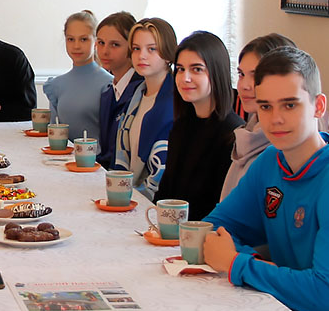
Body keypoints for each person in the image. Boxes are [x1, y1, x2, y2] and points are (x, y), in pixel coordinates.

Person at [203, 47, 329, 311]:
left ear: (318, 106)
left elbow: (327, 295)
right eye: (265, 106)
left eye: (290, 104)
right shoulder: (271, 160)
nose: (275, 119)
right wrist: (250, 261)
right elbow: (214, 229)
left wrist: (238, 263)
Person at [154, 31, 244, 220]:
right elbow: (165, 194)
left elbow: (219, 209)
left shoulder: (233, 136)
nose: (185, 78)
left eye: (196, 69)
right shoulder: (180, 127)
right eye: (180, 69)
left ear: (216, 72)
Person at [219, 33, 297, 200]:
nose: (244, 86)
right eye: (241, 74)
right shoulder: (247, 134)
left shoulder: (285, 147)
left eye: (255, 75)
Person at [113, 18, 177, 200]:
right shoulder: (136, 95)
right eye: (136, 48)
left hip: (156, 200)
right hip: (128, 192)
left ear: (168, 53)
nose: (142, 56)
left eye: (152, 49)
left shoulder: (173, 102)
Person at [43, 10, 112, 141]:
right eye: (71, 39)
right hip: (61, 159)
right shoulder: (56, 85)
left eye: (83, 39)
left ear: (96, 41)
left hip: (97, 160)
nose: (76, 46)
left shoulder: (108, 85)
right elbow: (54, 133)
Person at [96, 11, 144, 169]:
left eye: (115, 45)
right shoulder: (108, 93)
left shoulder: (141, 91)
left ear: (131, 48)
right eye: (101, 43)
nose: (105, 51)